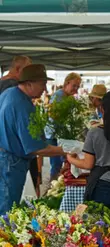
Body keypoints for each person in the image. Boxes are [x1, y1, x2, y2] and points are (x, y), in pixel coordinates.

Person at [0, 64, 65, 214]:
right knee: (6, 209)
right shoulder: (23, 105)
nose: (45, 89)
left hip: (5, 156)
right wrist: (65, 150)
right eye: (43, 84)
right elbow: (36, 148)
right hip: (11, 162)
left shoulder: (9, 93)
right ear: (29, 83)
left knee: (4, 203)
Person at [45, 72, 81, 181]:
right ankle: (52, 186)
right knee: (56, 164)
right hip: (53, 135)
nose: (76, 89)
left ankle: (60, 183)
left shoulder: (69, 98)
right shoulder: (59, 95)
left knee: (63, 162)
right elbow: (53, 115)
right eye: (74, 86)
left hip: (61, 135)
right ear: (67, 83)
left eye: (78, 87)